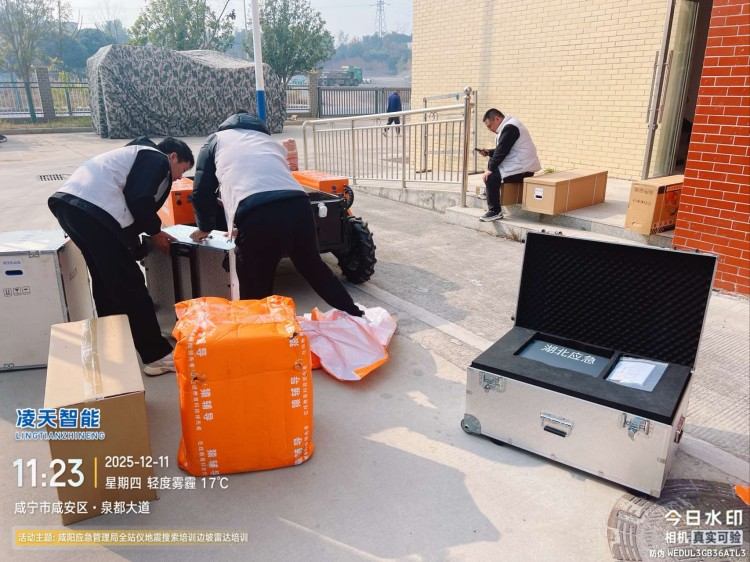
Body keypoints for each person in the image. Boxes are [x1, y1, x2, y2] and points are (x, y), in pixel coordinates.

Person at [189, 111, 363, 317]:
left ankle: (260, 330)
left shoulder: (215, 140)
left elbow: (202, 192)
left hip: (257, 212)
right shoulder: (268, 141)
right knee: (314, 267)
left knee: (255, 281)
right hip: (299, 205)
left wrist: (205, 228)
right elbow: (268, 179)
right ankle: (355, 315)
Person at [48, 137, 194, 376]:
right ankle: (156, 355)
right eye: (182, 170)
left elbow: (125, 205)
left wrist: (134, 244)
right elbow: (139, 200)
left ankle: (113, 344)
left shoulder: (132, 156)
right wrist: (156, 232)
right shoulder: (156, 158)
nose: (179, 178)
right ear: (173, 156)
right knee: (131, 286)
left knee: (106, 282)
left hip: (70, 207)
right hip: (93, 213)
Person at [477, 108, 541, 221]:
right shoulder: (508, 126)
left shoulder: (510, 127)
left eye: (490, 126)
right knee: (492, 164)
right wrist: (489, 152)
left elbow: (502, 151)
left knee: (491, 176)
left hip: (524, 169)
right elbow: (504, 149)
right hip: (520, 164)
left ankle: (495, 211)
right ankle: (490, 192)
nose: (490, 129)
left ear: (497, 119)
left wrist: (490, 170)